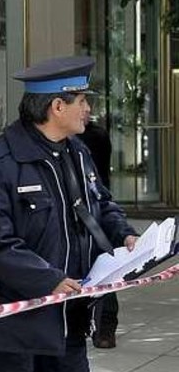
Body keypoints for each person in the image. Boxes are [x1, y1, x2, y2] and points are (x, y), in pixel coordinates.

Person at [0, 56, 138, 372]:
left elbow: (101, 203)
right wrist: (48, 280)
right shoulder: (0, 162)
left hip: (66, 320)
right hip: (13, 322)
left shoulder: (77, 152)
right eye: (82, 100)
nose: (88, 109)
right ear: (56, 106)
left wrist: (125, 234)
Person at [78, 117, 120, 348]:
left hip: (93, 213)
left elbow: (98, 185)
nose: (85, 110)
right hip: (71, 219)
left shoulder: (92, 139)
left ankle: (106, 325)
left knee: (103, 268)